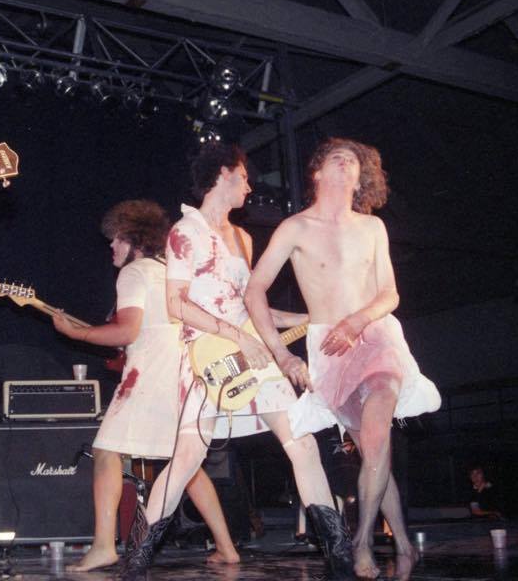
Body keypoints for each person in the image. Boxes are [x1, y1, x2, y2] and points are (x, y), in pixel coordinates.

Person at [121, 143, 354, 581]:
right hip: (208, 355)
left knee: (302, 443)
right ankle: (135, 561)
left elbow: (251, 306)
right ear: (225, 173)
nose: (249, 187)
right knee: (187, 456)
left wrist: (308, 318)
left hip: (252, 353)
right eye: (244, 177)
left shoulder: (243, 239)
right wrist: (236, 337)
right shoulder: (185, 232)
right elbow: (176, 304)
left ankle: (339, 554)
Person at [246, 137, 442, 581]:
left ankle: (362, 541)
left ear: (360, 179)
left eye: (353, 160)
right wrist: (282, 355)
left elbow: (389, 294)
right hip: (330, 351)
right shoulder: (295, 228)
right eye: (336, 157)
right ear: (317, 173)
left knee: (376, 433)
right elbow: (254, 290)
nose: (345, 161)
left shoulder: (371, 228)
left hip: (375, 336)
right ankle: (403, 543)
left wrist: (357, 320)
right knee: (374, 450)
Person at [53, 200, 240, 571]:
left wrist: (77, 333)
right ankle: (227, 547)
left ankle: (104, 546)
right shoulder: (169, 269)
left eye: (116, 239)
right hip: (183, 373)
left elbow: (128, 331)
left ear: (134, 239)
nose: (111, 246)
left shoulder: (134, 272)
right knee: (184, 463)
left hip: (151, 373)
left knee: (106, 451)